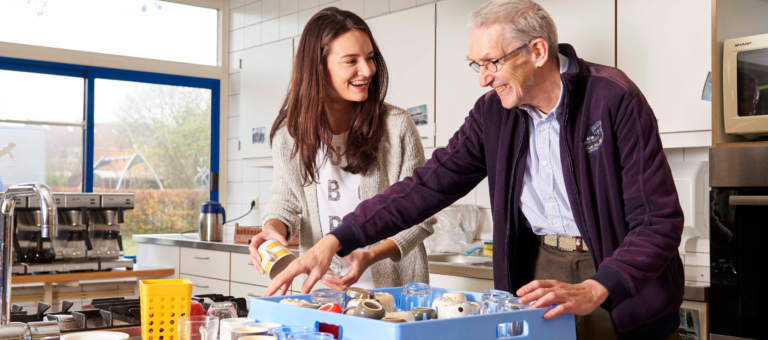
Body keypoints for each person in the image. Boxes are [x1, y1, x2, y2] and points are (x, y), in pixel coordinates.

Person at [264, 0, 685, 339]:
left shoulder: (612, 99)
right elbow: (423, 188)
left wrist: (598, 286)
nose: (483, 79)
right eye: (476, 65)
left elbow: (658, 222)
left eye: (492, 63)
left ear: (537, 52)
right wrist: (338, 239)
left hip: (614, 268)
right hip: (540, 270)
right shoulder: (493, 115)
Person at [248, 7, 435, 294]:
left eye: (370, 58)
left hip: (396, 296)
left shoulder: (396, 126)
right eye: (351, 61)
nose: (368, 70)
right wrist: (273, 229)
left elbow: (419, 212)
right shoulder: (290, 135)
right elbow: (285, 202)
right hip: (325, 296)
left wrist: (370, 255)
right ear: (318, 67)